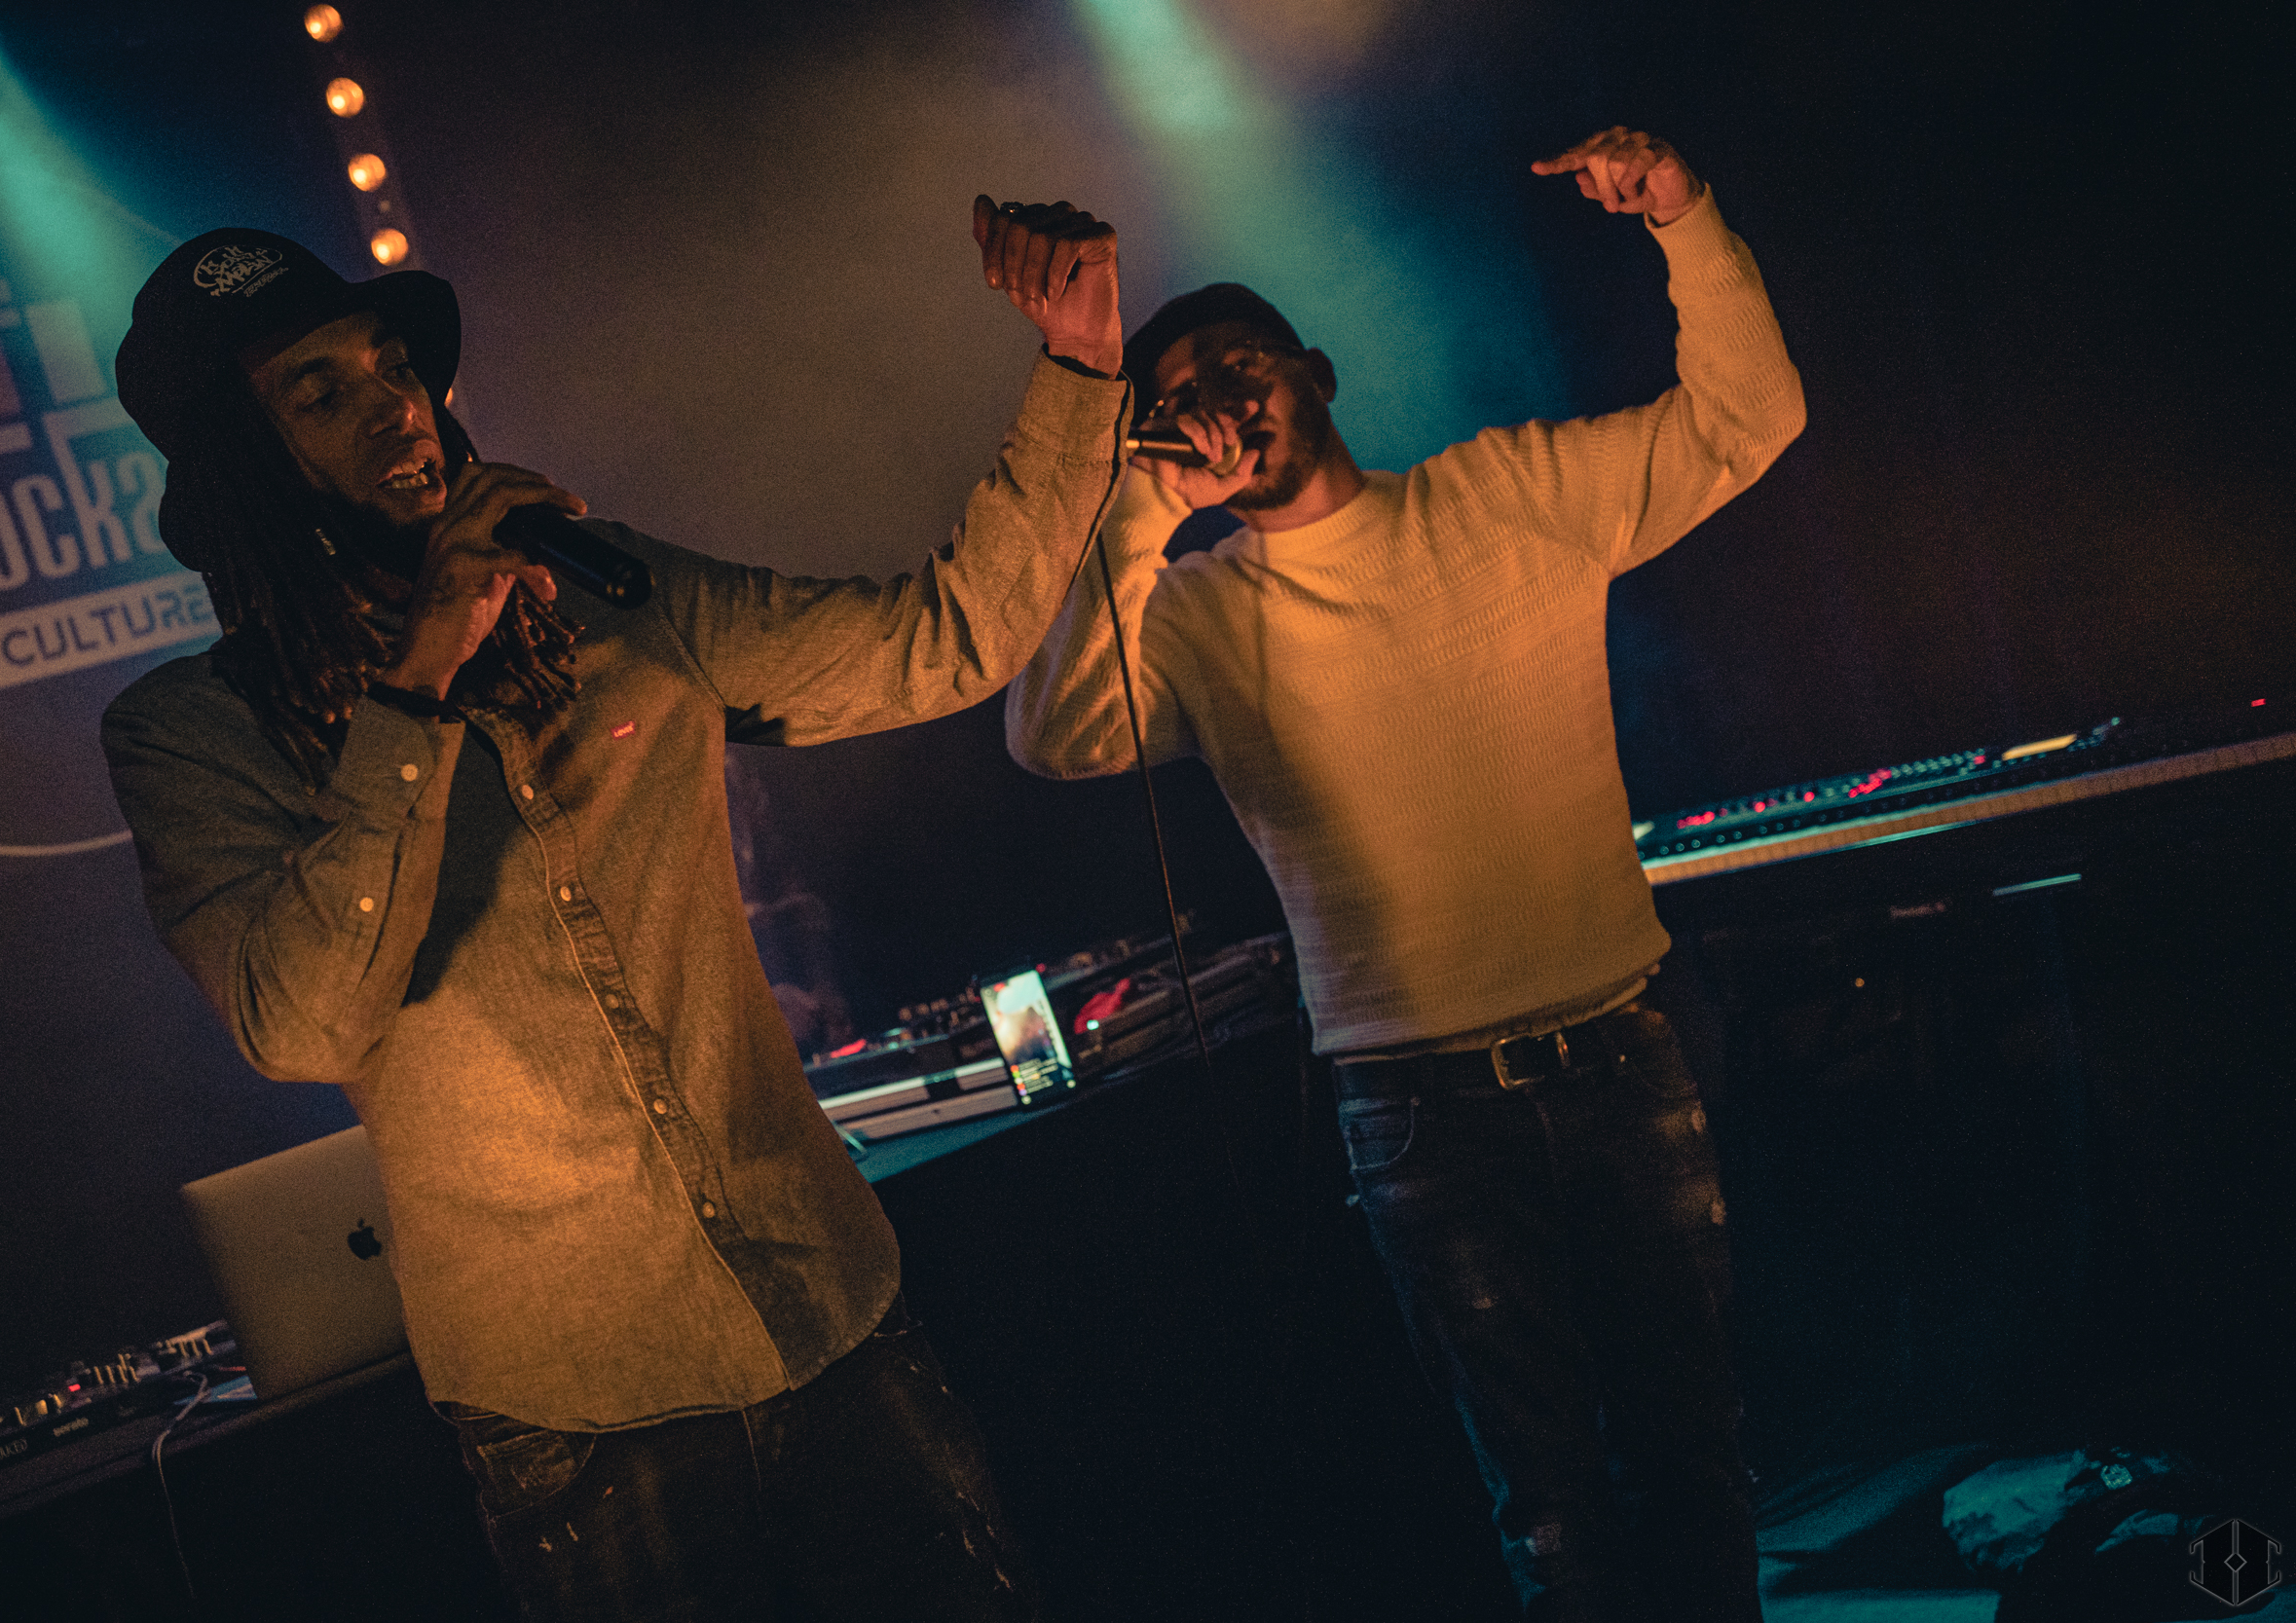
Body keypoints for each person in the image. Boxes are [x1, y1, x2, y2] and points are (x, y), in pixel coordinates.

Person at [103, 195, 1129, 1621]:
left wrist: (1080, 367)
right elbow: (301, 1021)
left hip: (828, 1311)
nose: (394, 407)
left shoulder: (610, 603)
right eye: (318, 393)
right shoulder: (191, 736)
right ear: (239, 468)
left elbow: (942, 639)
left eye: (392, 366)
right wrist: (419, 677)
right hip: (577, 1413)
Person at [1007, 128, 1804, 1620]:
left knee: (1697, 1465)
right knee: (1553, 1515)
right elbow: (1054, 734)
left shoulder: (1507, 492)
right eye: (1176, 401)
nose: (1216, 403)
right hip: (1420, 1109)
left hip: (1620, 1052)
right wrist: (1142, 512)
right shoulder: (1194, 614)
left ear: (1317, 369)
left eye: (1239, 365)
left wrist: (1684, 218)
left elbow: (1751, 421)